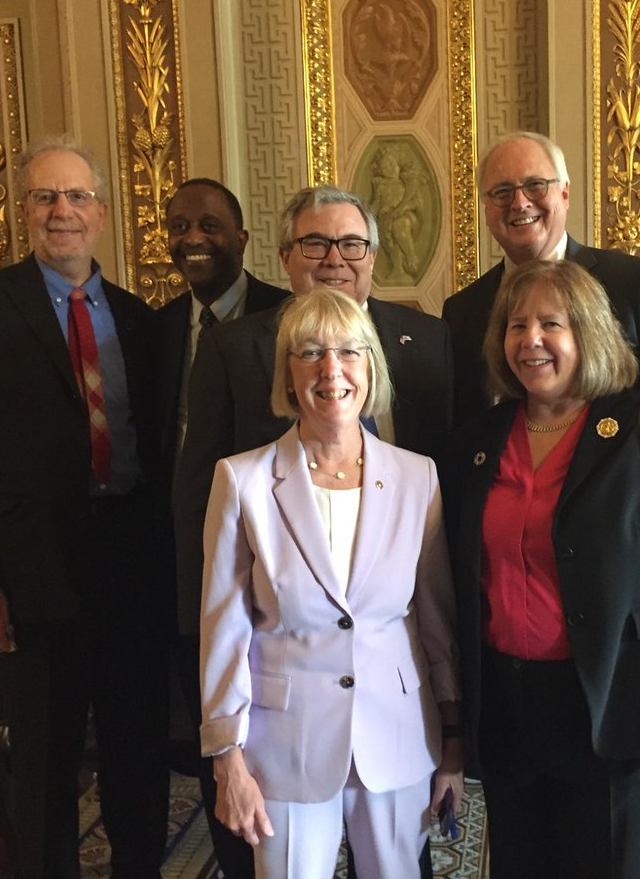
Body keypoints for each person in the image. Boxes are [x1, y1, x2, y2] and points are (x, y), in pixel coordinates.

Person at [438, 259, 640, 878]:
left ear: (589, 334)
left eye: (553, 323)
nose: (531, 340)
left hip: (620, 712)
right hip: (511, 711)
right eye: (517, 326)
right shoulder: (479, 440)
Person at [0, 138, 170, 876]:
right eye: (45, 197)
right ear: (24, 212)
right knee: (42, 758)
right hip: (32, 574)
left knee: (138, 747)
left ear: (101, 213)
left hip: (130, 565)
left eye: (76, 197)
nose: (61, 212)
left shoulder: (137, 318)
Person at [199, 288, 462, 878]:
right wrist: (226, 760)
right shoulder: (241, 481)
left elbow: (437, 622)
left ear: (372, 367)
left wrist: (453, 743)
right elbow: (223, 627)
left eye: (350, 350)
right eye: (310, 352)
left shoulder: (418, 477)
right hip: (283, 746)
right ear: (287, 375)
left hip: (396, 738)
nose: (331, 369)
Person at [174, 184, 452, 640]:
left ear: (373, 257)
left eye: (351, 244)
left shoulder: (426, 338)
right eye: (315, 243)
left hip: (405, 610)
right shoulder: (233, 347)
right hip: (285, 619)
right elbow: (197, 495)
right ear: (285, 256)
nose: (334, 259)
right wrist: (198, 624)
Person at [156, 177, 290, 878]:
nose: (193, 237)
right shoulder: (156, 328)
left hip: (269, 586)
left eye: (209, 223)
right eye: (178, 225)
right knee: (221, 759)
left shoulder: (287, 315)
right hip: (188, 570)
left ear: (243, 235)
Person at [442, 131, 640, 425]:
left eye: (535, 185)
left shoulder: (633, 283)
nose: (520, 203)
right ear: (485, 207)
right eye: (502, 192)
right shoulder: (461, 311)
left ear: (564, 193)